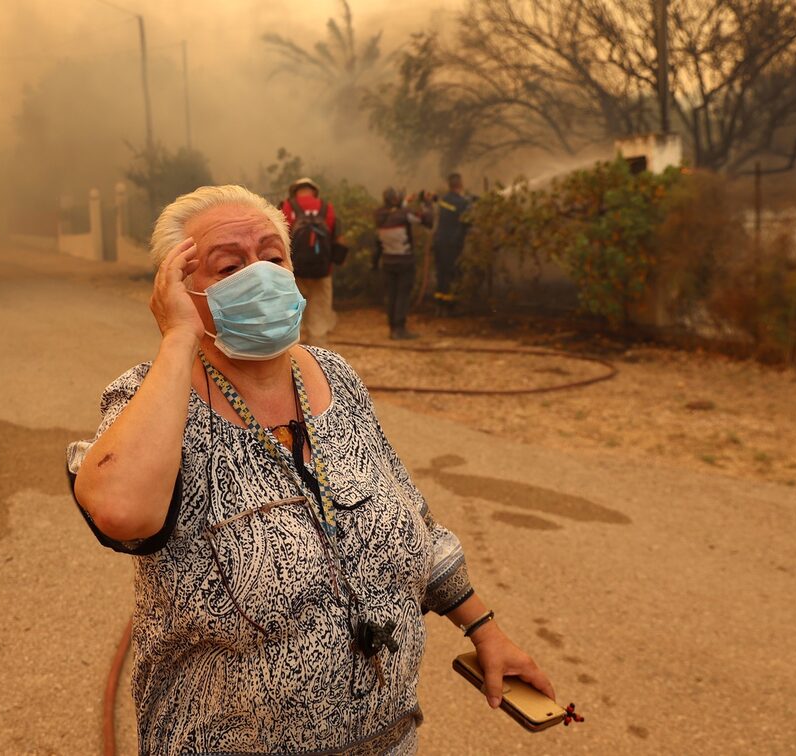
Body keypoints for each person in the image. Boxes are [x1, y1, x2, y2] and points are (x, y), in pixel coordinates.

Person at [66, 185, 553, 753]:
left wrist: (483, 626)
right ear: (179, 288)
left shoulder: (334, 376)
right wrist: (178, 339)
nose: (261, 276)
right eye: (230, 265)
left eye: (274, 258)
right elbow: (121, 510)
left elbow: (408, 515)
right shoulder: (152, 399)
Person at [279, 177, 346, 347]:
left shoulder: (286, 207)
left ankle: (294, 356)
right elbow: (340, 240)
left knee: (293, 316)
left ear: (294, 191)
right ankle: (318, 356)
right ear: (314, 191)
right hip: (322, 272)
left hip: (293, 272)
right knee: (319, 319)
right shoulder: (327, 208)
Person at [373, 187, 431, 340]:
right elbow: (427, 220)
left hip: (387, 260)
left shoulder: (379, 215)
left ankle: (393, 328)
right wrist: (426, 204)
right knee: (402, 296)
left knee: (392, 295)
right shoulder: (404, 214)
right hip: (404, 260)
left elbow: (392, 214)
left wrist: (403, 204)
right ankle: (400, 329)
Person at [432, 173, 475, 316]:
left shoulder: (444, 200)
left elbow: (451, 210)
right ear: (460, 185)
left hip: (439, 242)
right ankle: (450, 308)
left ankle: (439, 307)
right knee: (452, 274)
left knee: (441, 274)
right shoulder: (462, 203)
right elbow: (467, 221)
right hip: (452, 243)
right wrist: (469, 204)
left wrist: (466, 201)